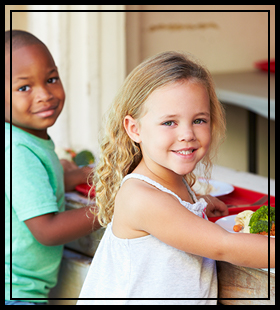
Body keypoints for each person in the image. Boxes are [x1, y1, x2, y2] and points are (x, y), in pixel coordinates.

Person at [77, 51, 275, 305]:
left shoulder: (169, 185)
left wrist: (198, 203)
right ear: (134, 129)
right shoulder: (141, 198)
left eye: (199, 120)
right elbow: (224, 246)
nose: (187, 134)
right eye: (169, 122)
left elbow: (172, 213)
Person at [5, 30, 99, 305]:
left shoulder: (25, 137)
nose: (45, 94)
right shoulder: (16, 150)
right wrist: (115, 207)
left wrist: (78, 175)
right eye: (24, 88)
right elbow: (47, 230)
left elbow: (38, 184)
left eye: (51, 79)